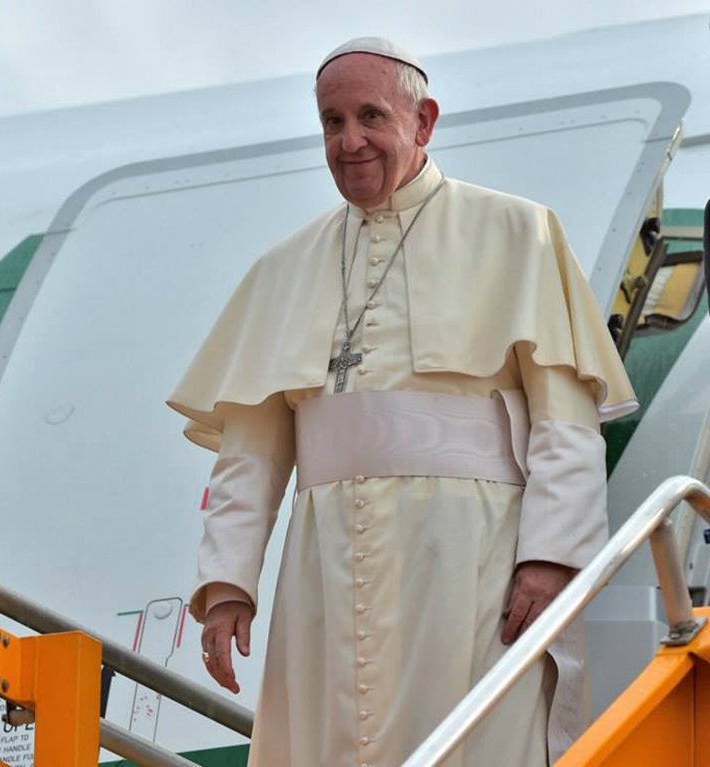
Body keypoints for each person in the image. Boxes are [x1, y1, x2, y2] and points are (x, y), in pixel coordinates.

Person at [167, 37, 637, 767]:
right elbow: (250, 454)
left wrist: (550, 557)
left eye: (370, 116)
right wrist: (227, 584)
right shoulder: (283, 268)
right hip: (324, 567)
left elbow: (565, 422)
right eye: (331, 122)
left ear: (423, 122)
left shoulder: (517, 231)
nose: (349, 141)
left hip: (472, 562)